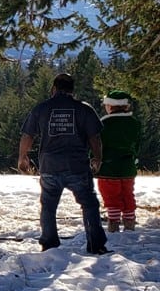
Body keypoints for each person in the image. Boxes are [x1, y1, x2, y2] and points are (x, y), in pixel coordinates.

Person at [18, 73, 109, 254]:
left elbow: (28, 135)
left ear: (54, 88)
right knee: (89, 204)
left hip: (50, 166)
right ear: (72, 90)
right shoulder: (84, 109)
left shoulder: (42, 108)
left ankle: (49, 245)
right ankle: (96, 245)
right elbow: (94, 137)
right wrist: (97, 157)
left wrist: (23, 157)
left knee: (49, 206)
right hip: (77, 166)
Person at [96, 90, 142, 232]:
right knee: (128, 194)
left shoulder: (104, 123)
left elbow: (97, 144)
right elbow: (137, 145)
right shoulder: (134, 123)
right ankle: (129, 223)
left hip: (108, 168)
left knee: (111, 196)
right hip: (128, 167)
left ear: (110, 106)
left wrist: (94, 160)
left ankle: (114, 224)